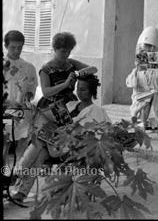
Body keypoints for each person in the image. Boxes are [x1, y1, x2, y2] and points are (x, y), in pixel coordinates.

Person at [11, 74, 111, 204]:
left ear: (92, 91)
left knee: (40, 142)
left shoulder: (98, 111)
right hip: (56, 143)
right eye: (78, 88)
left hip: (74, 148)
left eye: (83, 89)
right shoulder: (70, 104)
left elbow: (101, 134)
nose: (79, 92)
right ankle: (22, 192)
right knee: (40, 148)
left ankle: (18, 173)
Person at [126, 27, 158, 133]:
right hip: (139, 96)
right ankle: (139, 124)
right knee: (142, 102)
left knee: (147, 102)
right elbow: (129, 83)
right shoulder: (137, 71)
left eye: (149, 49)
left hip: (154, 97)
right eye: (143, 49)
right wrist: (136, 71)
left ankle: (141, 125)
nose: (146, 51)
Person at [37, 32, 97, 111]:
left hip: (70, 102)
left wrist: (78, 74)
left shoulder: (71, 63)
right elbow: (46, 92)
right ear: (55, 49)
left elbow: (94, 69)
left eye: (69, 52)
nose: (66, 54)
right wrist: (65, 84)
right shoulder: (46, 69)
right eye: (63, 51)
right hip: (51, 106)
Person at [2, 30, 38, 158]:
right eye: (13, 47)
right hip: (5, 109)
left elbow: (32, 88)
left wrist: (27, 97)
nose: (17, 51)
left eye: (20, 47)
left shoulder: (29, 67)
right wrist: (9, 103)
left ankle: (18, 170)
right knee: (4, 143)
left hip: (22, 110)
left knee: (23, 140)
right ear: (6, 46)